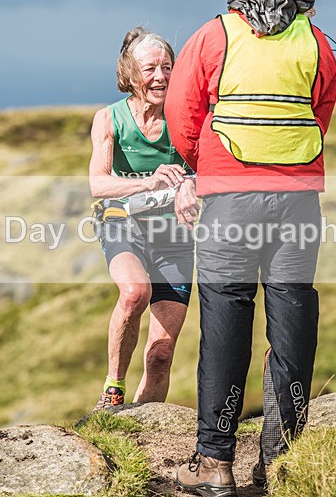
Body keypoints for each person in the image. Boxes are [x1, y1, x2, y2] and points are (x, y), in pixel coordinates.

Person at [166, 0, 336, 495]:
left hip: (229, 201)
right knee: (291, 315)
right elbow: (321, 112)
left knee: (225, 317)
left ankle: (216, 461)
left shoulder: (214, 35)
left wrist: (209, 165)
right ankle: (281, 460)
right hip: (298, 201)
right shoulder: (317, 43)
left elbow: (181, 113)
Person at [89, 28, 194, 410]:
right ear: (130, 74)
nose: (161, 76)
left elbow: (208, 170)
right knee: (135, 292)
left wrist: (188, 188)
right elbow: (97, 184)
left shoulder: (184, 120)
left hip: (173, 234)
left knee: (161, 354)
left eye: (167, 67)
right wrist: (150, 183)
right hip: (122, 224)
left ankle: (140, 433)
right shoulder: (109, 119)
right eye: (150, 68)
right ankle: (112, 389)